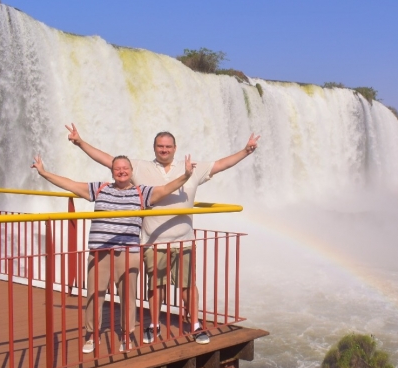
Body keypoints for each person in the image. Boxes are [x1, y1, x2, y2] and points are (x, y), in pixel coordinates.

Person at [65, 123, 260, 345]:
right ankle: (154, 325)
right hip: (152, 241)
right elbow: (107, 159)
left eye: (168, 146)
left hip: (183, 240)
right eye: (160, 146)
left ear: (175, 148)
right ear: (155, 148)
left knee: (187, 285)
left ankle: (195, 325)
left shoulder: (192, 167)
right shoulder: (139, 167)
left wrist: (246, 151)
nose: (164, 150)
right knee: (155, 286)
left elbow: (222, 164)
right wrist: (80, 143)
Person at [31, 154, 193, 354]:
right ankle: (91, 334)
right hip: (99, 252)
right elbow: (71, 184)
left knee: (127, 296)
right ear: (112, 171)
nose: (122, 171)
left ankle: (126, 334)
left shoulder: (142, 192)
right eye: (117, 168)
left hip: (128, 253)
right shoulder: (99, 188)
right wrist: (44, 172)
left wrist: (186, 175)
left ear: (132, 172)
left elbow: (165, 189)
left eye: (125, 168)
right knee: (94, 295)